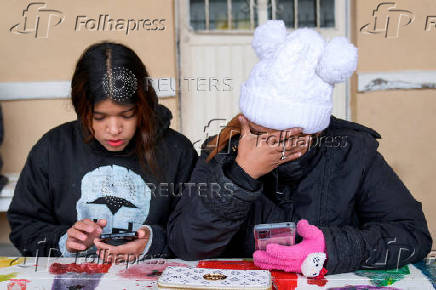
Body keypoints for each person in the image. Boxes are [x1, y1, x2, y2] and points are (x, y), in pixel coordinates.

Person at [168, 21, 432, 276]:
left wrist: (330, 248)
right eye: (258, 133)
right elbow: (187, 246)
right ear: (245, 121)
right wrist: (240, 177)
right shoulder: (222, 149)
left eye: (285, 139)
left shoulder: (353, 151)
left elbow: (412, 235)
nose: (268, 147)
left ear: (315, 132)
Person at [7, 42, 197, 260]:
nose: (114, 129)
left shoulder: (177, 151)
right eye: (99, 117)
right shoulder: (53, 148)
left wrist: (154, 243)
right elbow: (24, 225)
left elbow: (196, 231)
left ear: (143, 106)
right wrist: (64, 241)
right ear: (81, 109)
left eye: (127, 115)